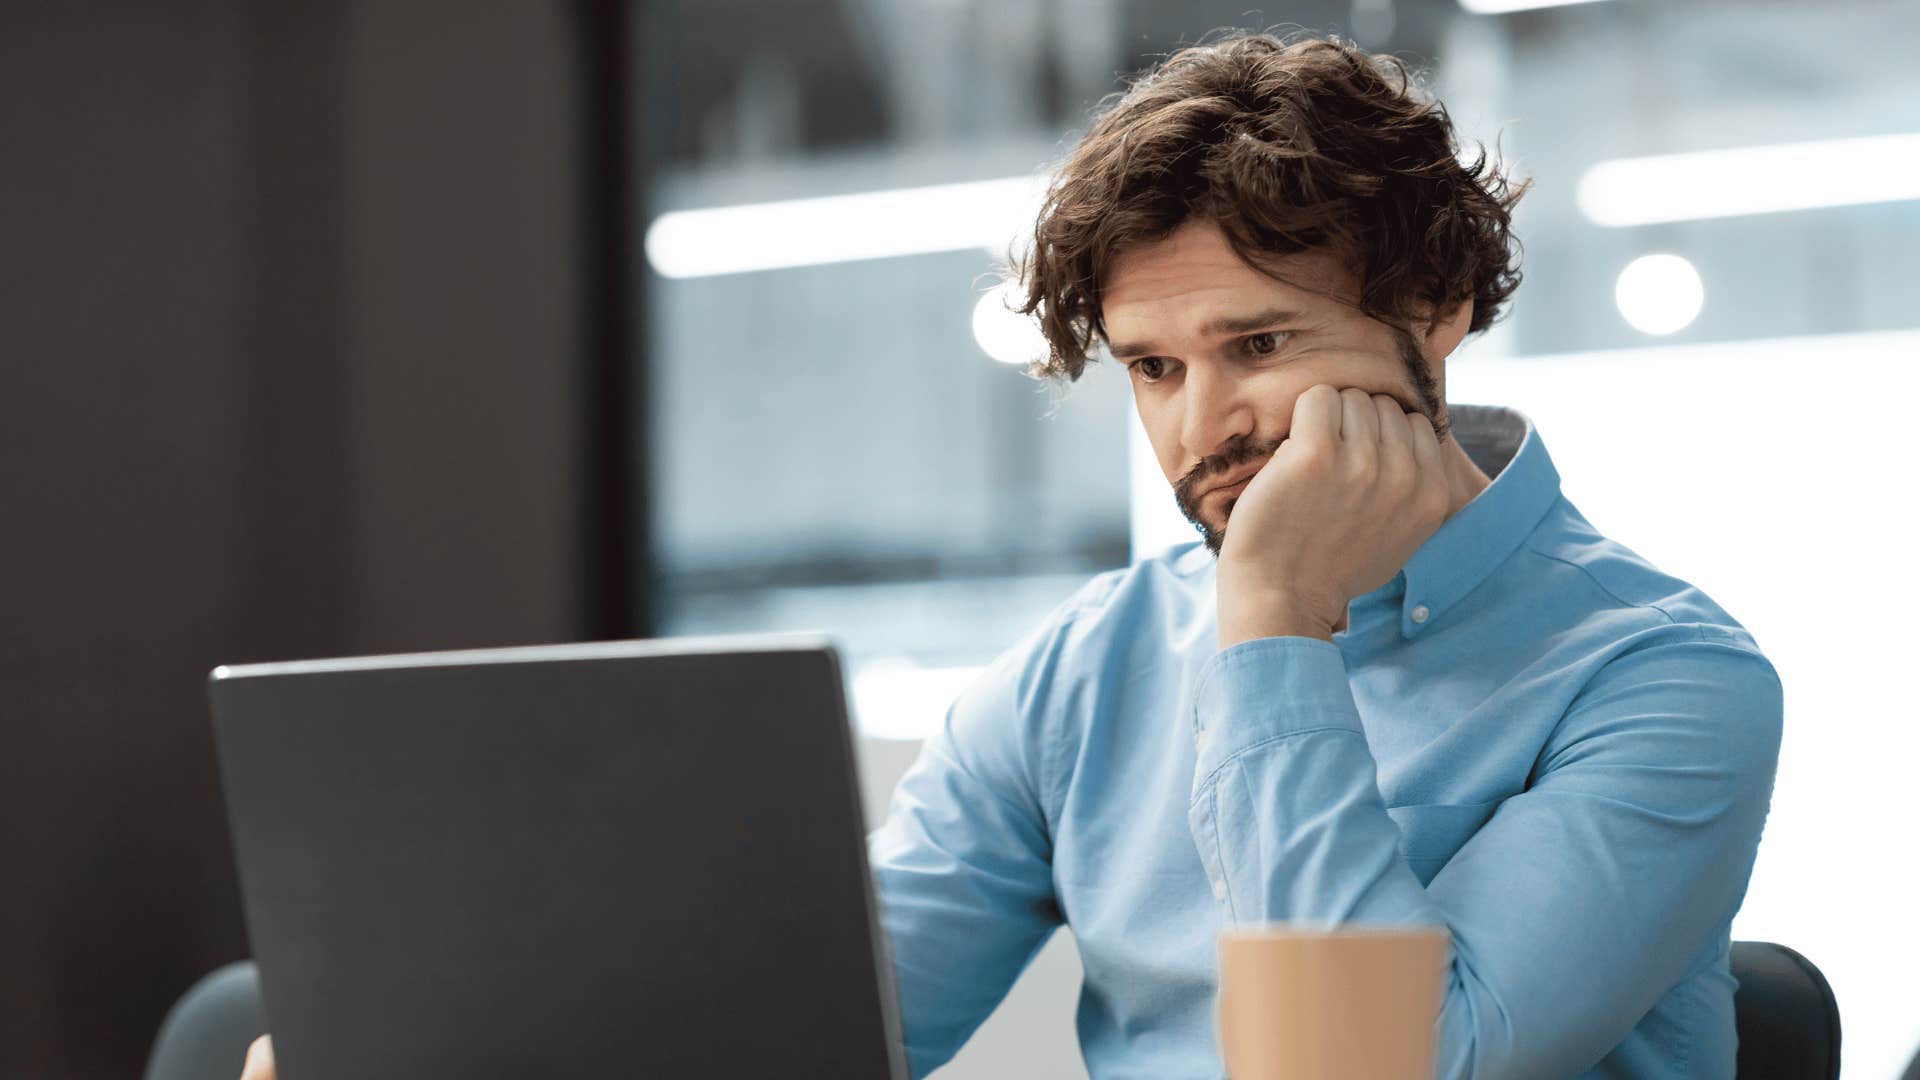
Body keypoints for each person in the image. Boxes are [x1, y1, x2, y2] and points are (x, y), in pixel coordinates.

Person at [242, 29, 1781, 1080]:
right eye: (1155, 369)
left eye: (1260, 343)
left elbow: (1373, 1068)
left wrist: (1274, 635)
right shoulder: (1084, 671)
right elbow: (828, 1032)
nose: (1205, 425)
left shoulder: (1661, 678)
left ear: (1434, 314)